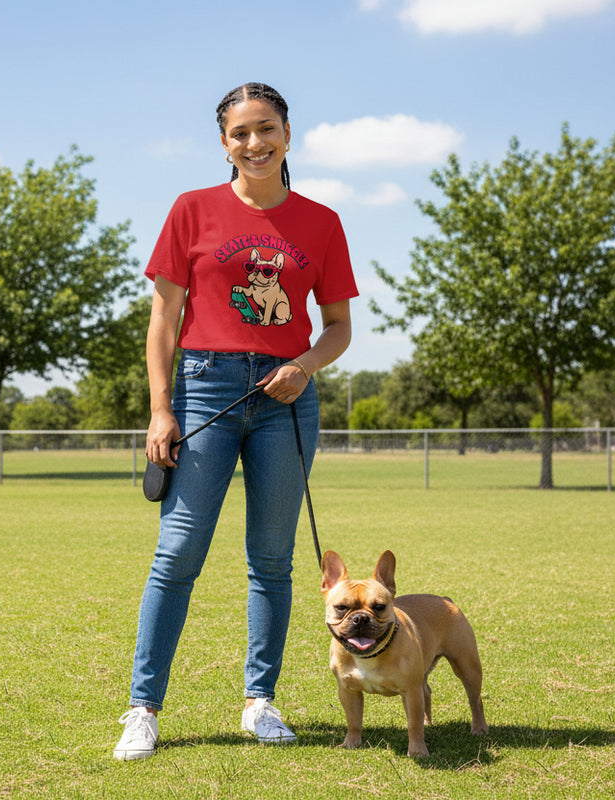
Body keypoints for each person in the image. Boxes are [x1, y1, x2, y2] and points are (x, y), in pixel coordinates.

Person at [113, 82, 358, 761]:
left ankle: (260, 703)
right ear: (224, 143)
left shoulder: (321, 221)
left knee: (272, 560)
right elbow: (163, 317)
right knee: (178, 551)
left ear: (287, 132)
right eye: (240, 133)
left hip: (287, 400)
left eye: (265, 129)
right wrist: (160, 408)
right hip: (203, 388)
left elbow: (338, 328)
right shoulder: (192, 210)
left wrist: (305, 366)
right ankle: (143, 709)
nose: (254, 143)